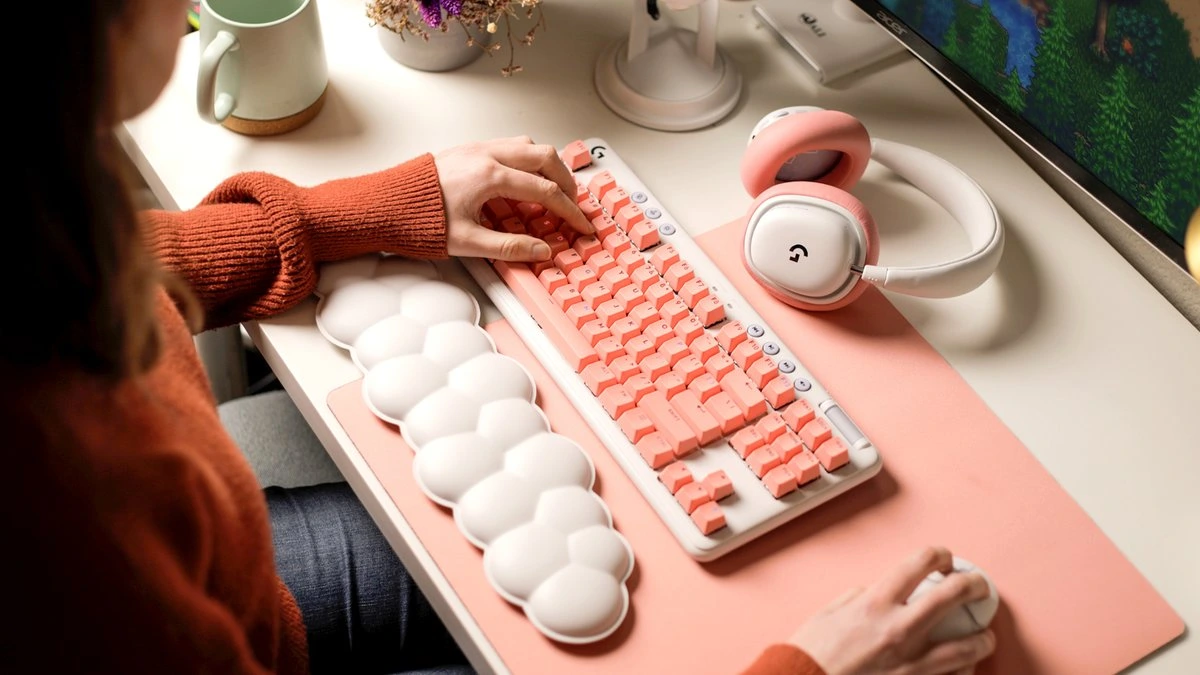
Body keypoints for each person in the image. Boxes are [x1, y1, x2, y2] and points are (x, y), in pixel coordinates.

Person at [0, 0, 996, 672]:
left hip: (242, 589)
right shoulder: (69, 494)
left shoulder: (45, 215)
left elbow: (145, 259)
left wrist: (373, 209)